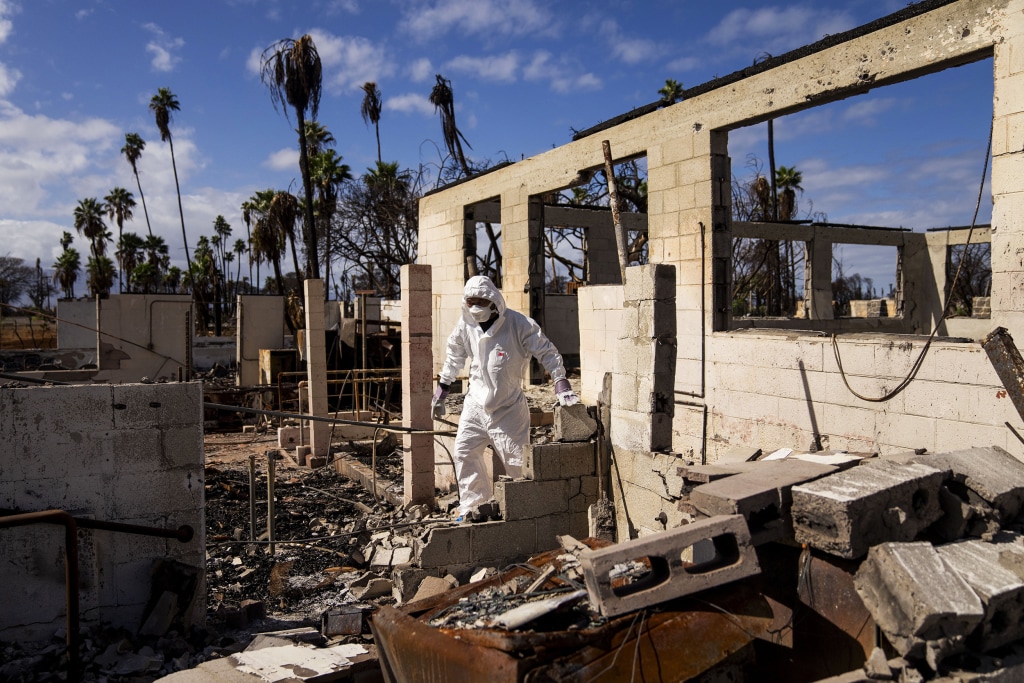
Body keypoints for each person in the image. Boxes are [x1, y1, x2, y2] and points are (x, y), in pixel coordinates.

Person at [432, 275, 579, 522]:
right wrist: (442, 389)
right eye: (471, 302)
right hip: (475, 406)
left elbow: (547, 352)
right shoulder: (465, 325)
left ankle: (525, 513)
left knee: (517, 463)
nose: (476, 307)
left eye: (481, 301)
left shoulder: (518, 324)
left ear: (493, 301)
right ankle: (472, 507)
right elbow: (454, 356)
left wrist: (561, 382)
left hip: (508, 410)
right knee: (464, 453)